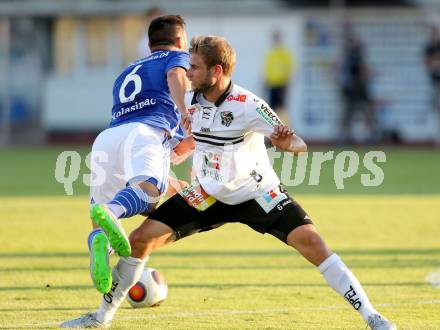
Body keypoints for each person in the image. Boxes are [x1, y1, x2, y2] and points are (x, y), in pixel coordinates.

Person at [60, 36, 396, 330]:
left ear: (216, 72)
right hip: (207, 195)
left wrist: (284, 142)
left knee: (314, 245)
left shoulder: (247, 104)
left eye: (194, 67)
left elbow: (298, 145)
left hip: (256, 193)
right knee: (138, 241)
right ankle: (102, 316)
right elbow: (188, 141)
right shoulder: (189, 103)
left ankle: (372, 317)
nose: (188, 73)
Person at [86, 14, 193, 296]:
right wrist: (185, 112)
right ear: (181, 40)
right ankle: (112, 211)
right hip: (146, 132)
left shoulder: (127, 71)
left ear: (149, 44)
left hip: (108, 138)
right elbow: (176, 76)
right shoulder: (177, 58)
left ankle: (100, 240)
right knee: (147, 194)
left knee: (103, 216)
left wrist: (176, 182)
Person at [338, 23, 376, 144]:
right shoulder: (347, 54)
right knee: (348, 114)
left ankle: (370, 136)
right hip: (350, 88)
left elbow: (365, 69)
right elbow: (340, 67)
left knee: (366, 112)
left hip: (360, 87)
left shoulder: (359, 54)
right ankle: (345, 137)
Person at [264, 30, 294, 113]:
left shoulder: (285, 54)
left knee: (281, 108)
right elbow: (267, 70)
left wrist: (287, 82)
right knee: (271, 109)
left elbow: (290, 68)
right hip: (272, 84)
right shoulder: (270, 54)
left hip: (282, 84)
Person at [424, 24, 440, 145]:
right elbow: (426, 63)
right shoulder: (429, 47)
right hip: (434, 83)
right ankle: (437, 136)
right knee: (435, 109)